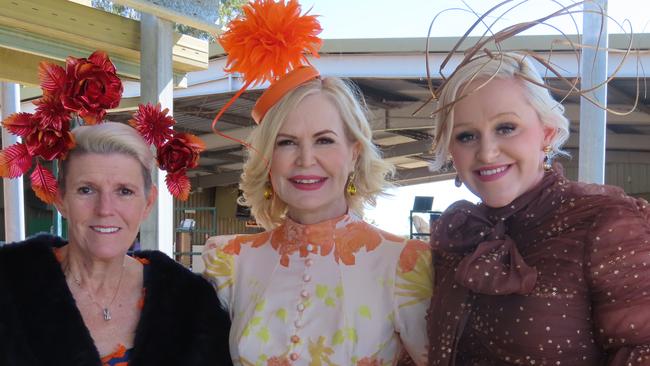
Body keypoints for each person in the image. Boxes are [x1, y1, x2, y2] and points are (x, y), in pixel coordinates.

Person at [426, 51, 650, 365]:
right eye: (466, 136)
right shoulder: (458, 236)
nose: (487, 153)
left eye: (506, 128)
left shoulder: (606, 223)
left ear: (547, 132)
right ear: (451, 149)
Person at [203, 73, 432, 365]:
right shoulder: (228, 262)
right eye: (286, 142)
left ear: (354, 154)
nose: (306, 159)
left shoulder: (405, 264)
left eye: (324, 140)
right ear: (267, 159)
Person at [0, 122, 232, 365]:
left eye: (124, 191)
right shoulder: (9, 281)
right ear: (60, 199)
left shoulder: (191, 304)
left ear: (148, 202)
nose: (105, 209)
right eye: (86, 190)